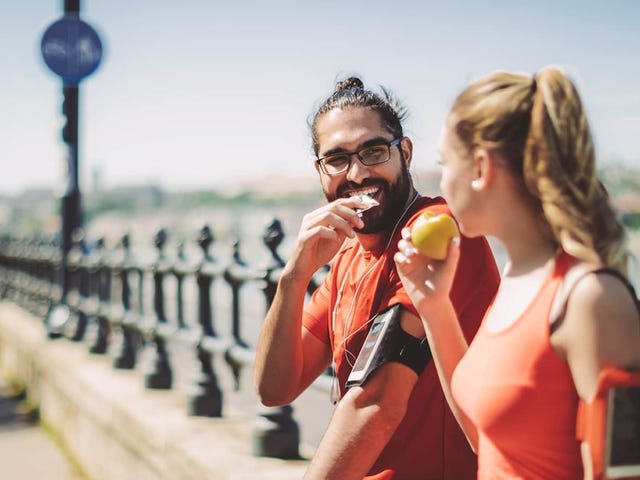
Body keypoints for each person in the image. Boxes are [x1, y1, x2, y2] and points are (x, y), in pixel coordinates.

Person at [394, 66, 640, 479]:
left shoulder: (590, 299)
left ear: (480, 168)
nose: (439, 180)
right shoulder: (517, 277)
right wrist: (434, 307)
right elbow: (485, 437)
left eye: (444, 162)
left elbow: (625, 471)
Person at [253, 76, 500, 479]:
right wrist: (293, 277)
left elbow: (378, 400)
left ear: (404, 152)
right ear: (319, 170)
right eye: (337, 159)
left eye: (373, 151)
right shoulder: (347, 253)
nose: (356, 173)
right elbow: (275, 389)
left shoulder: (437, 231)